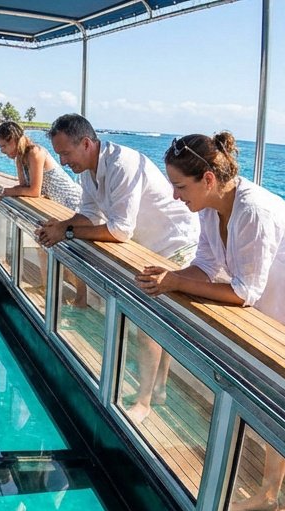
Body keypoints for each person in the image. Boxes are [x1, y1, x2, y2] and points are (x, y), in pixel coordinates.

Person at [136, 131, 285, 511]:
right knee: (276, 406)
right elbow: (205, 264)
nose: (174, 196)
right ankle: (266, 494)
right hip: (283, 310)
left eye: (180, 186)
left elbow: (243, 291)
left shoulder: (253, 211)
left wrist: (176, 283)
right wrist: (172, 276)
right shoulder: (207, 208)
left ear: (207, 179)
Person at [35, 114, 200, 423]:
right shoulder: (87, 171)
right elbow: (88, 215)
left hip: (175, 244)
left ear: (86, 143)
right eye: (59, 154)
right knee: (156, 325)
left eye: (66, 153)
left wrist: (67, 232)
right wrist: (62, 224)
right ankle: (160, 389)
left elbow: (119, 230)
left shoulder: (123, 164)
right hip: (148, 246)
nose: (62, 160)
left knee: (148, 326)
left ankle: (145, 401)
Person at [0, 120, 81, 210]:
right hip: (60, 204)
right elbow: (23, 187)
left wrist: (4, 192)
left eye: (3, 146)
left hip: (74, 203)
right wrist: (0, 193)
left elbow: (34, 191)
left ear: (14, 140)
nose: (2, 151)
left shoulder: (35, 152)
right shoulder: (20, 158)